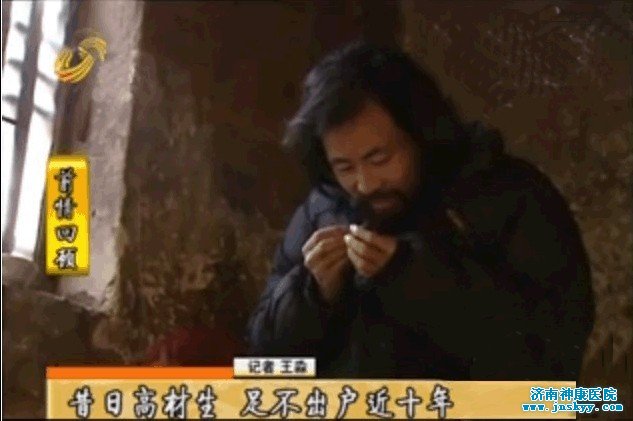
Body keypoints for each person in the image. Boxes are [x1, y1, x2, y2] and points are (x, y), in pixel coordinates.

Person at [246, 41, 594, 380]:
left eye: (379, 159)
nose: (365, 184)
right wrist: (312, 295)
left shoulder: (506, 195)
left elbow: (551, 365)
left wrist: (411, 276)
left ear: (421, 135)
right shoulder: (323, 209)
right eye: (345, 167)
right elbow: (261, 363)